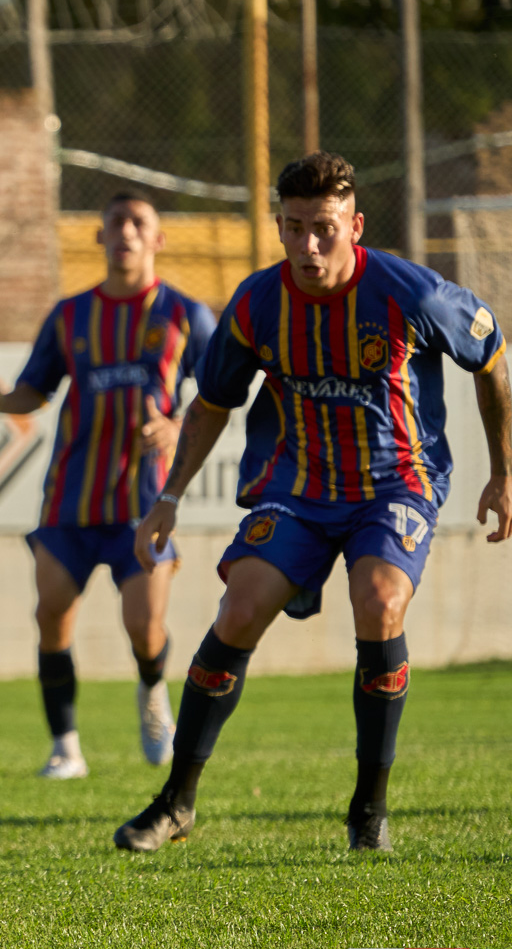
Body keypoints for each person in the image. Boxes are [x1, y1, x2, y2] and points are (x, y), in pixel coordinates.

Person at [113, 152, 510, 853]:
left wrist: (505, 472)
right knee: (238, 610)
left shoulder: (408, 293)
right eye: (293, 228)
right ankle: (175, 803)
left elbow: (491, 357)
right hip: (298, 489)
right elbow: (209, 405)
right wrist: (168, 496)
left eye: (324, 228)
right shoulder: (258, 302)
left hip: (396, 484)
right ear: (279, 226)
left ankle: (368, 812)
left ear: (354, 225)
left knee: (379, 601)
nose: (308, 246)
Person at [0, 193, 217, 779]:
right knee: (52, 615)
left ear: (157, 239)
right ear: (100, 238)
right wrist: (0, 402)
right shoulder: (70, 316)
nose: (127, 232)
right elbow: (37, 389)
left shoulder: (187, 314)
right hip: (70, 497)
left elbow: (220, 394)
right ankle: (65, 746)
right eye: (116, 223)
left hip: (144, 501)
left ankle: (154, 696)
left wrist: (178, 424)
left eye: (139, 224)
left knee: (143, 626)